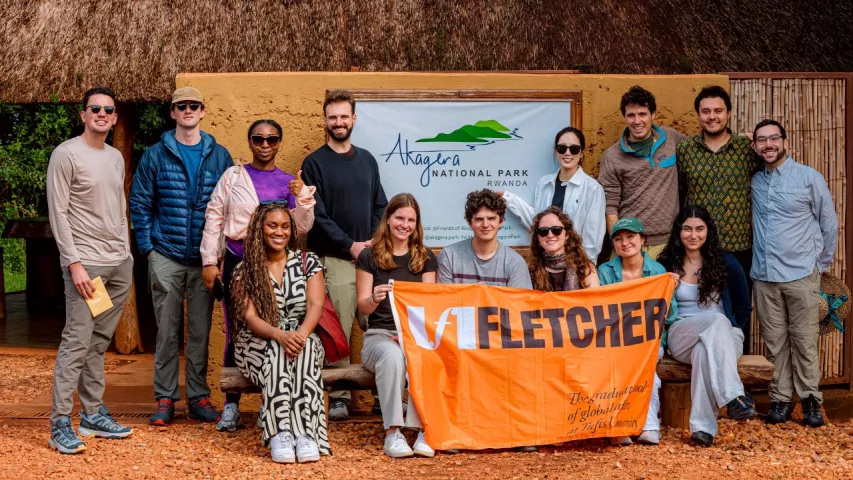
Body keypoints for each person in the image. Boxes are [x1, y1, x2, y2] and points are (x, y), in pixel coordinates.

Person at [201, 119, 316, 432]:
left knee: (274, 327)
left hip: (277, 266)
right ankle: (232, 405)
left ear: (279, 142)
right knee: (237, 331)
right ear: (250, 141)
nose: (265, 145)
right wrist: (209, 260)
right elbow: (215, 215)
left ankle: (274, 400)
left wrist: (302, 196)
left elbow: (301, 228)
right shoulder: (234, 176)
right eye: (258, 139)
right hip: (238, 261)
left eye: (272, 139)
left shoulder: (288, 182)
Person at [130, 87, 233, 425]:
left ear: (203, 111)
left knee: (201, 330)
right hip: (167, 254)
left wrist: (217, 256)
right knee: (167, 330)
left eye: (194, 105)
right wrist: (148, 248)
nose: (188, 110)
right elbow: (140, 204)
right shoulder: (155, 155)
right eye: (181, 106)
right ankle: (165, 398)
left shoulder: (220, 156)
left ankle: (199, 397)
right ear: (173, 113)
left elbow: (229, 206)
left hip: (204, 260)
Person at [47, 86, 134, 453]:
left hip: (117, 265)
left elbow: (118, 207)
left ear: (114, 118)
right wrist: (75, 264)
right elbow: (59, 212)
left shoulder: (115, 156)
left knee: (97, 341)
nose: (101, 113)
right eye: (94, 108)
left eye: (107, 109)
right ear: (83, 115)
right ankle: (59, 423)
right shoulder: (66, 154)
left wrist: (126, 252)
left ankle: (93, 414)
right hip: (88, 267)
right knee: (77, 340)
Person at [300, 89, 388, 420]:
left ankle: (383, 392)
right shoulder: (314, 163)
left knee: (376, 323)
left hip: (370, 259)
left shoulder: (367, 160)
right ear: (325, 120)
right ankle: (339, 395)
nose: (338, 122)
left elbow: (381, 203)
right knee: (337, 327)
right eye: (332, 117)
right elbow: (317, 217)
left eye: (343, 116)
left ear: (354, 118)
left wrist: (372, 241)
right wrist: (350, 245)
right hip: (335, 259)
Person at [750, 119, 838, 428]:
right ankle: (781, 400)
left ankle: (811, 401)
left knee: (804, 340)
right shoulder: (755, 181)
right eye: (762, 140)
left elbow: (828, 222)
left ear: (785, 142)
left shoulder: (808, 178)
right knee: (775, 343)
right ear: (755, 146)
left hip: (801, 273)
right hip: (763, 275)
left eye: (774, 138)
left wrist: (820, 264)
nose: (768, 144)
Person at [229, 203, 330, 463]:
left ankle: (305, 433)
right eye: (272, 225)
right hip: (257, 340)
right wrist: (278, 335)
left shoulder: (308, 262)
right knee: (277, 352)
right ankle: (280, 432)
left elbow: (315, 305)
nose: (279, 232)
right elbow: (250, 318)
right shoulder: (245, 270)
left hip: (301, 333)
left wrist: (301, 334)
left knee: (304, 352)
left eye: (285, 226)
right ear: (259, 229)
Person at [656, 206, 757, 447]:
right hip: (682, 334)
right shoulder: (667, 263)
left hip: (724, 335)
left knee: (706, 348)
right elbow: (658, 307)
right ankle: (733, 396)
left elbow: (744, 306)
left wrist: (734, 329)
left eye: (699, 229)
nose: (693, 235)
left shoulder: (726, 262)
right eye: (687, 229)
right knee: (716, 321)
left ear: (708, 231)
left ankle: (703, 430)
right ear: (679, 232)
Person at [676, 86, 762, 351]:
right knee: (704, 308)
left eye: (718, 111)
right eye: (706, 111)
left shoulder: (746, 149)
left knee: (738, 310)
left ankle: (737, 374)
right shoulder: (686, 150)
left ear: (729, 113)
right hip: (697, 247)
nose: (712, 116)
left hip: (738, 247)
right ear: (698, 115)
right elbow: (679, 192)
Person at [355, 193, 437, 458]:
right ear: (388, 219)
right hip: (379, 336)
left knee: (421, 354)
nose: (405, 224)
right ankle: (393, 432)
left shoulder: (425, 257)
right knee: (392, 356)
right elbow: (362, 307)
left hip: (414, 334)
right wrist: (373, 298)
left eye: (411, 220)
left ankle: (425, 430)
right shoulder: (369, 256)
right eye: (399, 218)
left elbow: (429, 308)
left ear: (417, 223)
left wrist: (408, 337)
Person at [598, 217, 677, 446]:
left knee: (646, 370)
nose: (625, 243)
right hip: (615, 340)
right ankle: (619, 426)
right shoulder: (605, 271)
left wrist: (670, 287)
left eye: (631, 237)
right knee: (616, 368)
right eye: (619, 239)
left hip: (650, 340)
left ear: (642, 240)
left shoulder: (658, 271)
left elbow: (670, 316)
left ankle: (649, 425)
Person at [598, 86, 687, 260]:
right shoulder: (612, 156)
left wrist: (749, 141)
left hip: (667, 243)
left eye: (642, 114)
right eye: (631, 115)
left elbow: (701, 147)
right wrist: (621, 244)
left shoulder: (671, 139)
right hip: (630, 243)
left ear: (653, 115)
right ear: (624, 117)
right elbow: (610, 208)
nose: (637, 121)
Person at [501, 127, 606, 262]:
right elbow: (537, 222)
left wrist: (584, 267)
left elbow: (593, 236)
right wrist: (509, 199)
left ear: (581, 154)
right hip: (546, 261)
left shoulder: (592, 188)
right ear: (556, 152)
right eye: (562, 148)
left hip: (576, 263)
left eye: (574, 149)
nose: (567, 153)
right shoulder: (544, 183)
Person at [437, 189, 531, 289]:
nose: (485, 225)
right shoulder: (449, 256)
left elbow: (517, 303)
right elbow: (444, 300)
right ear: (469, 222)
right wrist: (469, 293)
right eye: (479, 219)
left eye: (491, 218)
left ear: (501, 221)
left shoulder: (515, 262)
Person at [527, 206, 599, 291]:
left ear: (567, 235)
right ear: (538, 237)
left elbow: (594, 300)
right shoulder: (530, 271)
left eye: (556, 230)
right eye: (543, 231)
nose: (550, 235)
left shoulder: (585, 268)